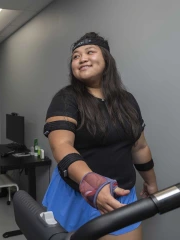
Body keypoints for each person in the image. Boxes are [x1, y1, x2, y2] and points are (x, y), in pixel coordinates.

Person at [42, 32, 158, 239]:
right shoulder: (66, 99)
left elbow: (139, 147)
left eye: (89, 52)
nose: (82, 58)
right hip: (77, 196)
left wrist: (150, 182)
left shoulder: (127, 100)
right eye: (76, 56)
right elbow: (61, 146)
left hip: (121, 194)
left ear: (106, 59)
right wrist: (92, 183)